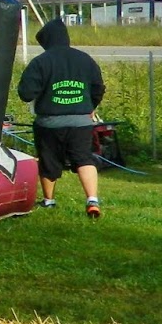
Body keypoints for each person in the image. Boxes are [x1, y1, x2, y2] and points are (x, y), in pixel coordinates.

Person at [18, 16, 106, 219]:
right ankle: (92, 199)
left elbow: (26, 93)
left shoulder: (40, 62)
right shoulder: (85, 59)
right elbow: (98, 88)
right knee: (84, 158)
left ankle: (49, 201)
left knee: (49, 161)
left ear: (46, 41)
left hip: (49, 123)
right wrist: (90, 107)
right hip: (81, 122)